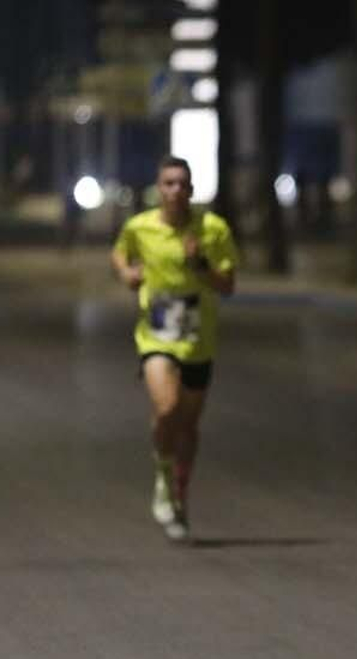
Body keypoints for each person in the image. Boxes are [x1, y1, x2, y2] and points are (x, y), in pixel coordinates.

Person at [110, 156, 239, 543]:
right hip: (156, 335)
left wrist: (200, 264)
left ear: (192, 190)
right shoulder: (140, 227)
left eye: (183, 183)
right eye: (168, 183)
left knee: (188, 425)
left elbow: (228, 285)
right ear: (158, 188)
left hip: (199, 338)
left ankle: (180, 492)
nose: (176, 190)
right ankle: (163, 479)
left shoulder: (213, 230)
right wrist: (128, 274)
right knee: (166, 408)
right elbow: (120, 252)